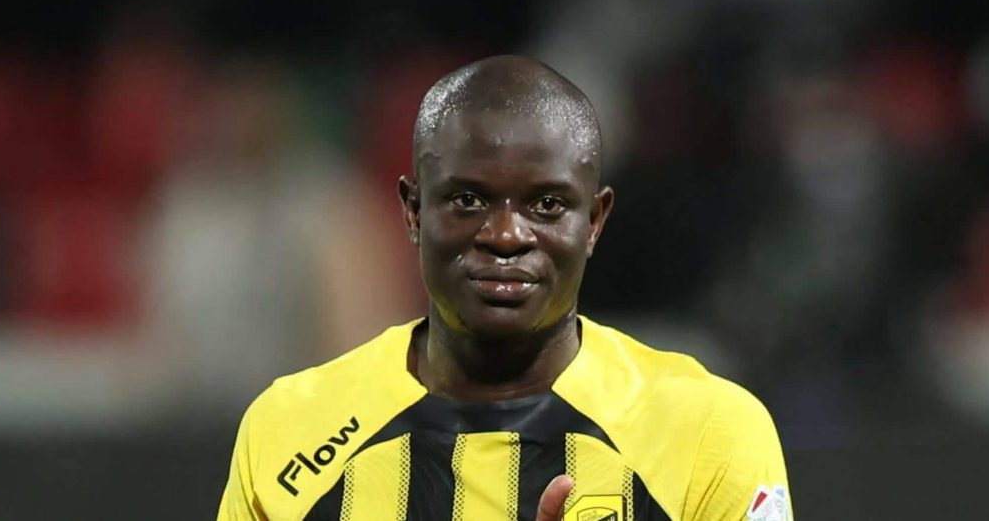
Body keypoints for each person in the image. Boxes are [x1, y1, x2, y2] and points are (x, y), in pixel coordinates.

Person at [217, 55, 791, 521]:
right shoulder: (289, 431)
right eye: (468, 200)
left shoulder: (706, 433)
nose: (506, 235)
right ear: (414, 210)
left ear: (594, 222)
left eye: (547, 204)